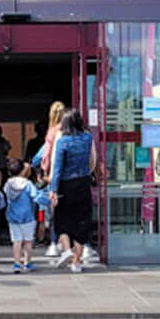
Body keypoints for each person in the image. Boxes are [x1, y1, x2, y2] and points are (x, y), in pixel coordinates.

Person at [48, 108, 97, 273]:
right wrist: (87, 174)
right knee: (82, 221)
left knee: (61, 220)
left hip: (65, 184)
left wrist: (53, 189)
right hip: (83, 183)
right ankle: (77, 262)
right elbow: (92, 161)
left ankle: (67, 250)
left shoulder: (62, 141)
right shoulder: (88, 138)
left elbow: (57, 168)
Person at [3, 158, 49, 273]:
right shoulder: (28, 184)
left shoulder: (8, 184)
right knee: (28, 241)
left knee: (16, 241)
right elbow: (36, 196)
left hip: (13, 217)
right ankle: (27, 263)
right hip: (27, 217)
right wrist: (48, 200)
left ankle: (16, 264)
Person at [39, 101, 66, 256]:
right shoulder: (72, 130)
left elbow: (47, 156)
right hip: (71, 175)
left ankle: (55, 243)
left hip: (54, 175)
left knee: (55, 211)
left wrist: (44, 171)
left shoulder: (52, 131)